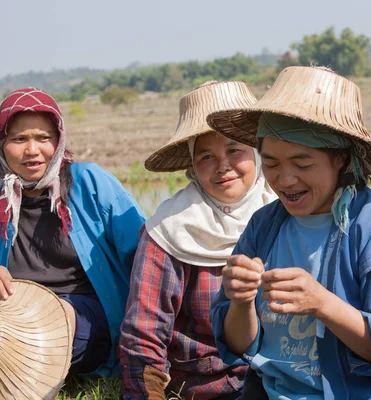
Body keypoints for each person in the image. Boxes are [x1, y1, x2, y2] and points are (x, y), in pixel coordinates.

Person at [208, 66, 371, 399]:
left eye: (303, 163)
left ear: (339, 159)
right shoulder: (265, 226)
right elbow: (239, 344)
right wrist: (241, 302)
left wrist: (323, 304)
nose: (285, 180)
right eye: (270, 163)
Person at [120, 81, 277, 399]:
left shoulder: (284, 211)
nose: (223, 166)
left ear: (257, 152)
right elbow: (144, 331)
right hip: (208, 385)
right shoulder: (169, 229)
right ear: (192, 164)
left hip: (282, 375)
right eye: (206, 156)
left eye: (234, 149)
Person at [0, 87, 145, 376]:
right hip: (14, 315)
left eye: (43, 138)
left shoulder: (89, 182)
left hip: (84, 314)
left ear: (59, 140)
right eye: (19, 139)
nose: (32, 150)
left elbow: (143, 254)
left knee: (46, 322)